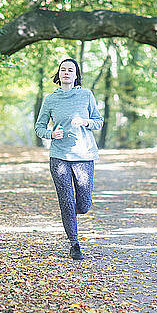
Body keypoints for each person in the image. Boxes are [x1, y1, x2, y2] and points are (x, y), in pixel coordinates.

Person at [34, 58, 104, 260]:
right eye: (63, 69)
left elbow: (98, 121)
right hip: (59, 157)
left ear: (76, 75)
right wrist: (50, 135)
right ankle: (74, 244)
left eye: (70, 70)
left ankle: (75, 213)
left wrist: (85, 121)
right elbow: (39, 127)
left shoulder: (86, 95)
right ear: (59, 74)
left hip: (84, 155)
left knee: (83, 204)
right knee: (66, 201)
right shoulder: (50, 100)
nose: (66, 72)